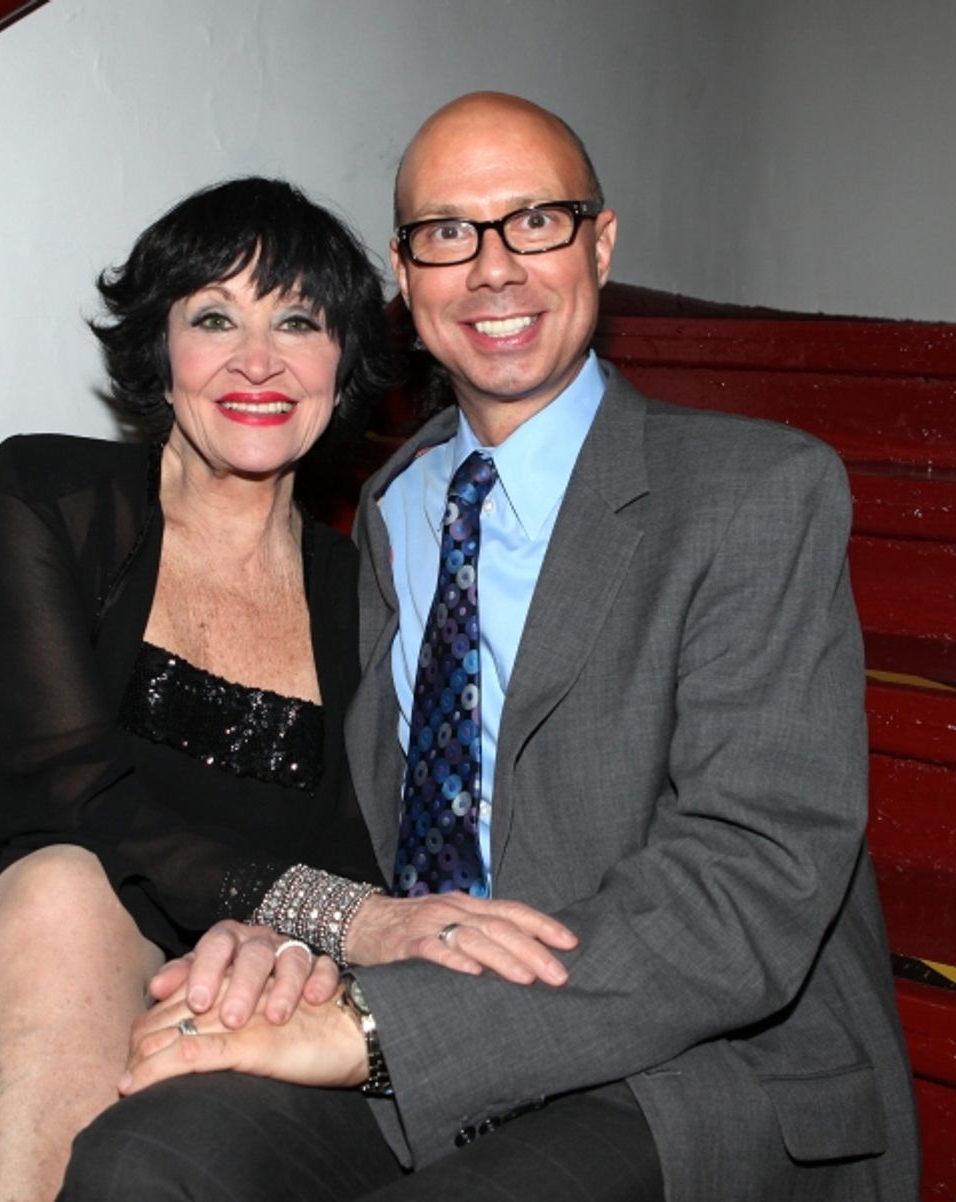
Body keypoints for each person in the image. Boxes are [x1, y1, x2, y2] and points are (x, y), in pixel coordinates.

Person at [59, 94, 919, 1201]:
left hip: (694, 1058)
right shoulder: (390, 506)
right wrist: (284, 940)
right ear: (404, 281)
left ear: (601, 244)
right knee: (142, 1157)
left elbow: (752, 882)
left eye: (536, 222)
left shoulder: (756, 489)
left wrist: (376, 1023)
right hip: (440, 1024)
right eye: (448, 234)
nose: (494, 268)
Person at [0, 175, 579, 1202]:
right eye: (214, 317)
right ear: (160, 357)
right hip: (29, 940)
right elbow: (52, 791)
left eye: (297, 321)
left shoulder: (367, 588)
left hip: (239, 965)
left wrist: (295, 933)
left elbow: (375, 830)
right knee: (63, 890)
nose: (256, 360)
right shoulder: (55, 497)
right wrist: (344, 915)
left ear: (341, 362)